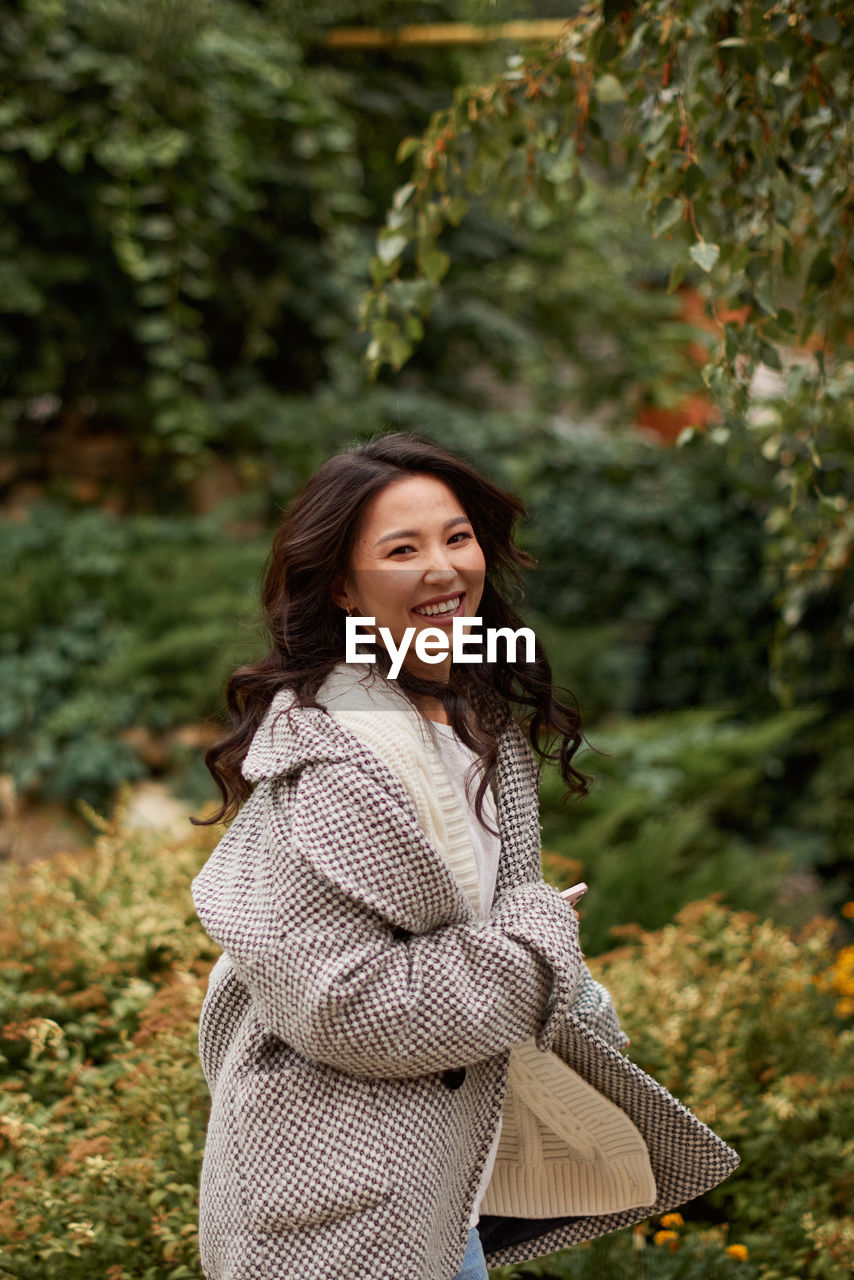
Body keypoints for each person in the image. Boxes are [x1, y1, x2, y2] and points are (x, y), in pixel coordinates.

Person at [190, 432, 739, 1280]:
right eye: (401, 550)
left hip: (436, 1192)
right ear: (343, 586)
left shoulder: (474, 723)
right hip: (336, 1217)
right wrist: (535, 942)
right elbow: (345, 1005)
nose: (443, 569)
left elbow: (487, 920)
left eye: (456, 537)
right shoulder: (334, 761)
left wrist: (568, 995)